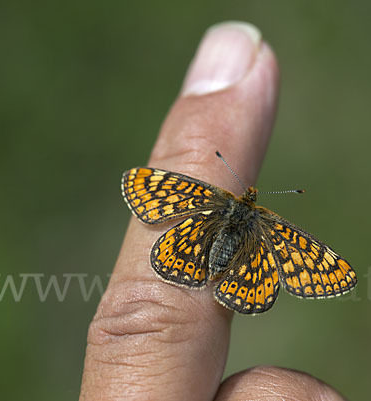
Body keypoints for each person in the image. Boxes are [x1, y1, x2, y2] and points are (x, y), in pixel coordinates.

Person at [79, 21, 346, 401]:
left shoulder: (211, 197)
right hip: (240, 260)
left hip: (200, 236)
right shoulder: (270, 225)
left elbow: (156, 192)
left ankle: (196, 268)